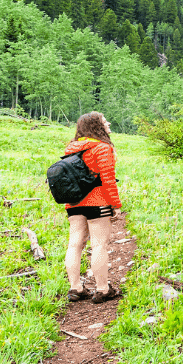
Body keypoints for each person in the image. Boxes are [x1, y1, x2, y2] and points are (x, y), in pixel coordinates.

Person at [61, 111, 123, 303]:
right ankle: (103, 289)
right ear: (97, 126)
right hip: (97, 202)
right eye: (105, 121)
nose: (108, 123)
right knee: (98, 244)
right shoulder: (102, 148)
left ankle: (75, 288)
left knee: (74, 244)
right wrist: (116, 204)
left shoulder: (71, 147)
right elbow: (108, 180)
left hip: (73, 203)